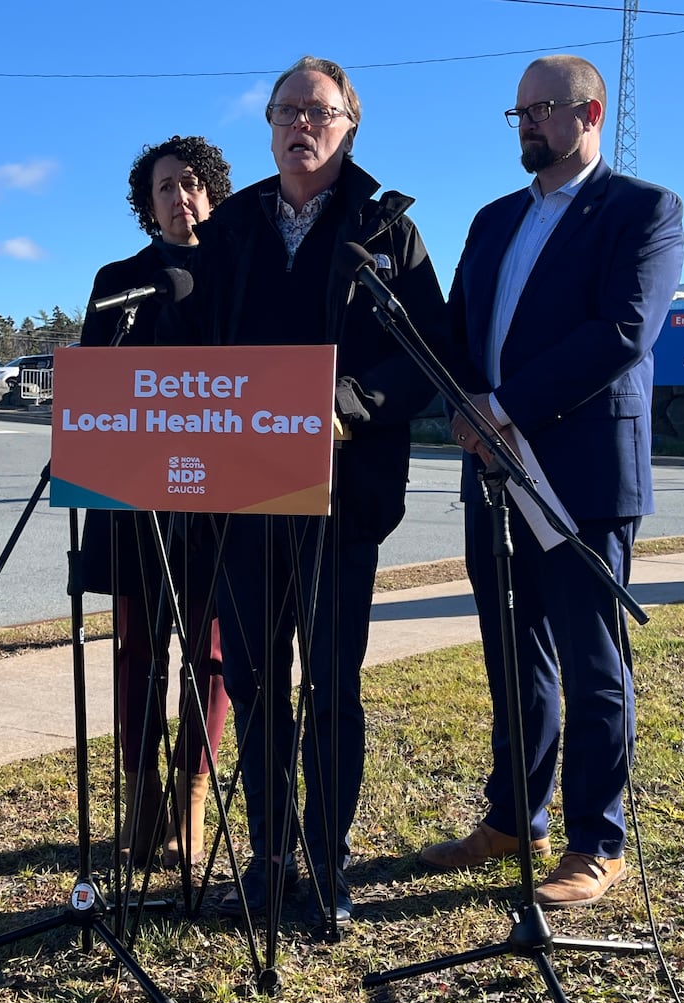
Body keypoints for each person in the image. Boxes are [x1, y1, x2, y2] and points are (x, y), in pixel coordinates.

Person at [163, 56, 447, 925]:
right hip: (243, 496)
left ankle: (327, 863)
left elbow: (426, 355)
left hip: (341, 494)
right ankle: (269, 855)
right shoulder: (235, 224)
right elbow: (192, 341)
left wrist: (348, 405)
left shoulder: (386, 228)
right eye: (287, 111)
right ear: (271, 123)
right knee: (253, 682)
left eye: (319, 112)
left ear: (350, 122)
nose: (301, 125)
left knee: (331, 684)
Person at [419, 54, 684, 908]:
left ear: (591, 111)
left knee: (591, 659)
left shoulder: (643, 210)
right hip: (491, 467)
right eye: (518, 112)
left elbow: (623, 331)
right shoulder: (495, 218)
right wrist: (463, 404)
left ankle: (595, 842)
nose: (527, 123)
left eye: (543, 109)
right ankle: (514, 816)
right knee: (510, 651)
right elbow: (456, 326)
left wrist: (504, 407)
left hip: (580, 473)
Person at [80, 135, 234, 872]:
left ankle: (189, 806)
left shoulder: (244, 275)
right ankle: (138, 807)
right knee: (138, 649)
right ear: (148, 203)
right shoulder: (119, 280)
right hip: (134, 498)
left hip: (223, 498)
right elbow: (94, 392)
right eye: (167, 186)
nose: (182, 197)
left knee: (210, 655)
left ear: (214, 193)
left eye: (194, 183)